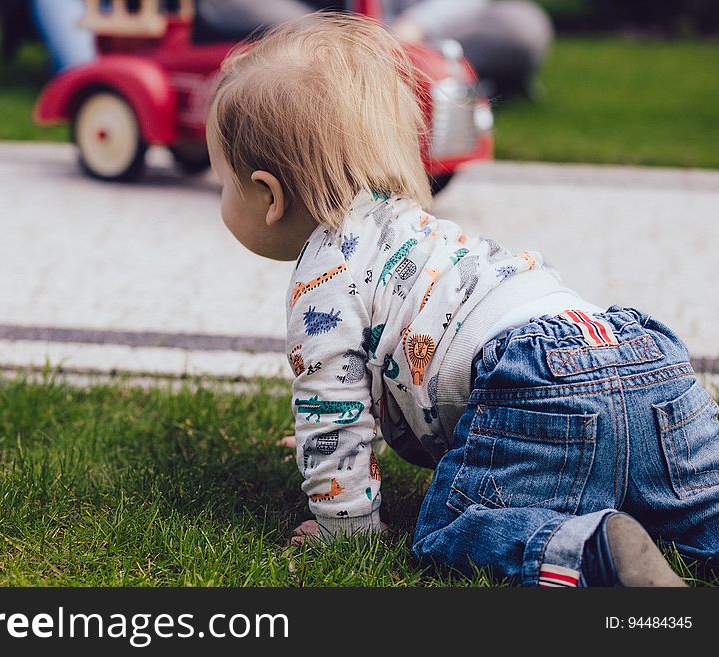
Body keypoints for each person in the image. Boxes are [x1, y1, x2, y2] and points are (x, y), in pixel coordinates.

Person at [205, 12, 719, 586]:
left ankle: (588, 550)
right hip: (644, 356)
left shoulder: (322, 275)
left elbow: (331, 407)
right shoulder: (418, 233)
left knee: (456, 528)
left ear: (267, 195)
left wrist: (341, 523)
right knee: (699, 510)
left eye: (222, 180)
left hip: (535, 382)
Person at [385, 0, 554, 99]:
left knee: (522, 26)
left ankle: (457, 83)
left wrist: (416, 23)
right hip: (376, 37)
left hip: (451, 30)